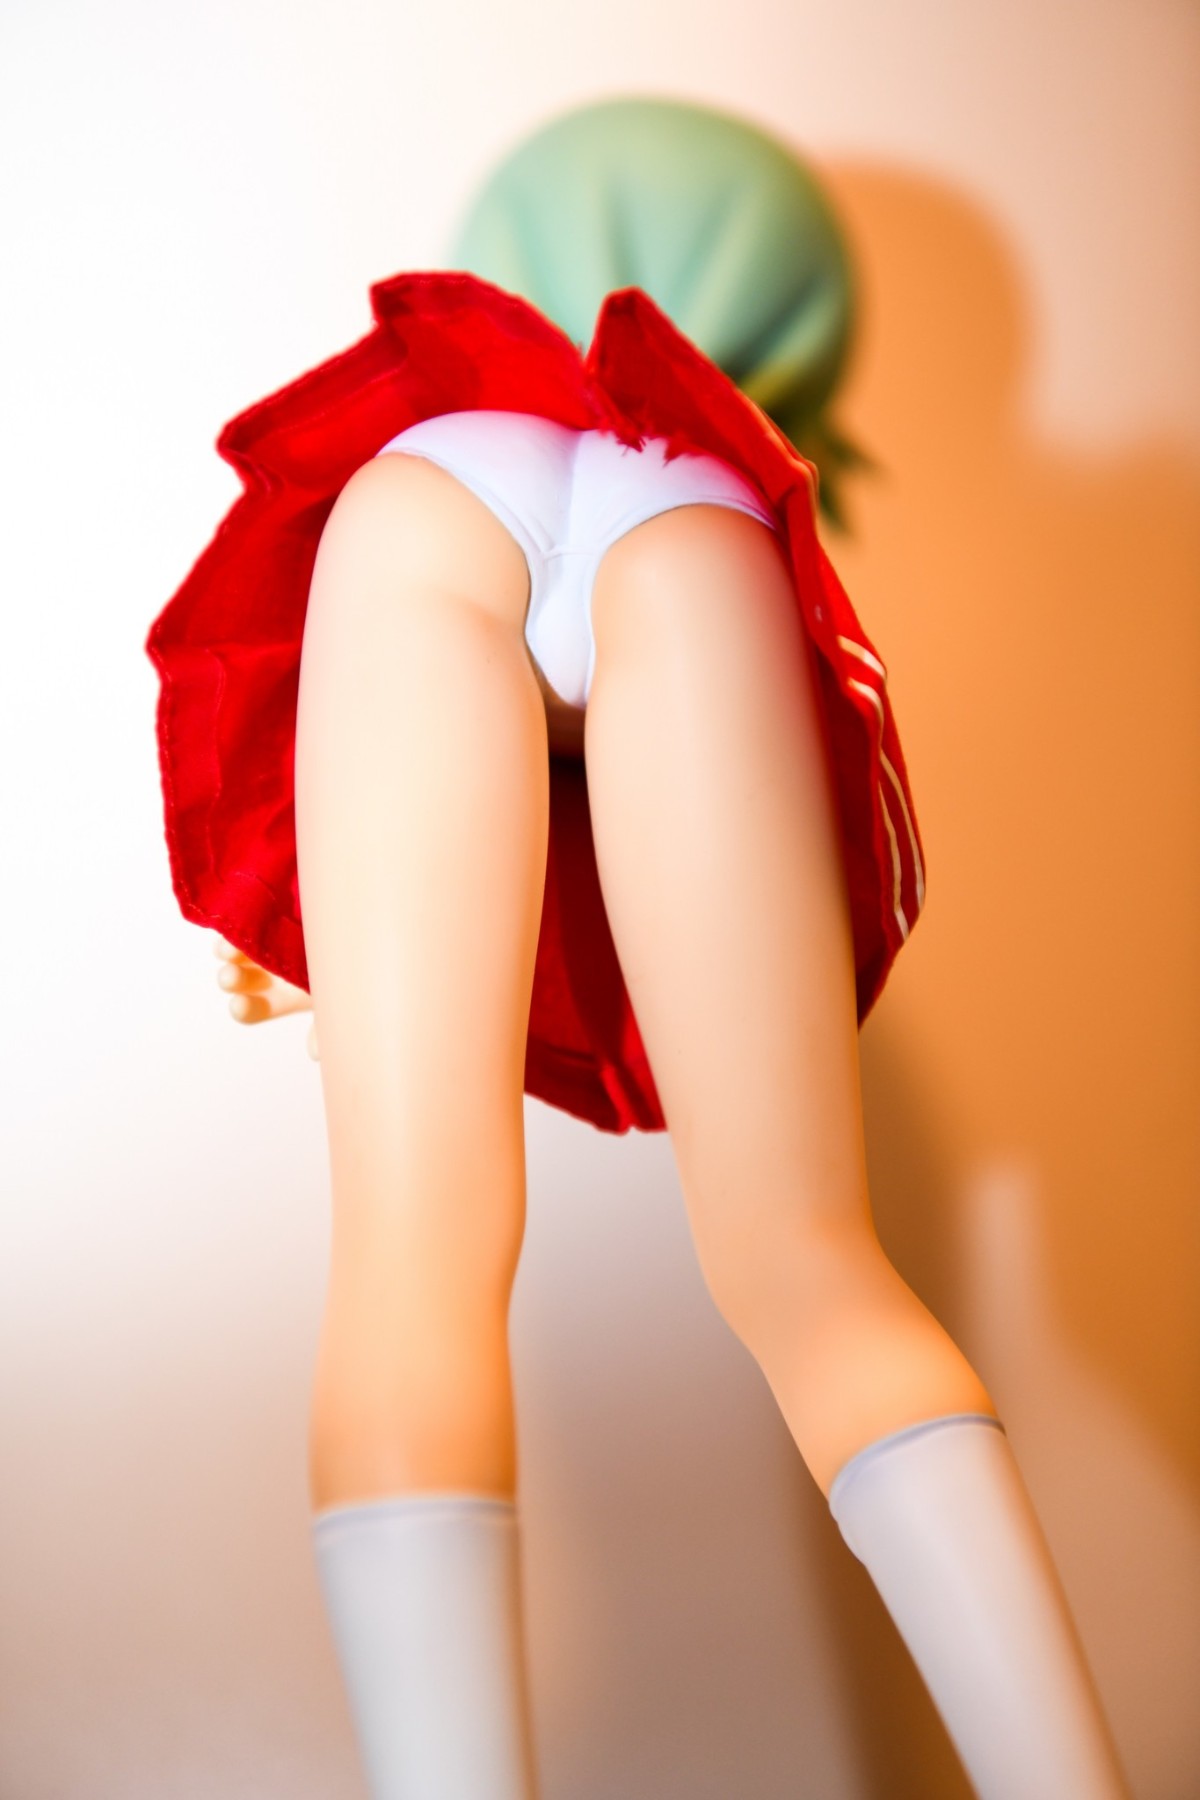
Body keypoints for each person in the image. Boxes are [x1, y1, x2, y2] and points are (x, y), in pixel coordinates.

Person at [147, 98, 1129, 1799]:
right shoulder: (720, 466)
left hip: (433, 490)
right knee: (816, 1268)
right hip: (694, 519)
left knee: (411, 1259)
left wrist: (337, 920)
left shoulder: (456, 437)